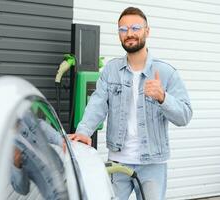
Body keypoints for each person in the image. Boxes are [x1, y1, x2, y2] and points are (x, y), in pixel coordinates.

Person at [69, 6, 192, 200]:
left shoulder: (166, 72)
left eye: (135, 27)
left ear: (147, 31)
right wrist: (83, 131)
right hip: (118, 162)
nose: (129, 34)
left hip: (153, 165)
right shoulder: (111, 70)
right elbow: (97, 104)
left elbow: (185, 115)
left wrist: (163, 97)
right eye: (123, 29)